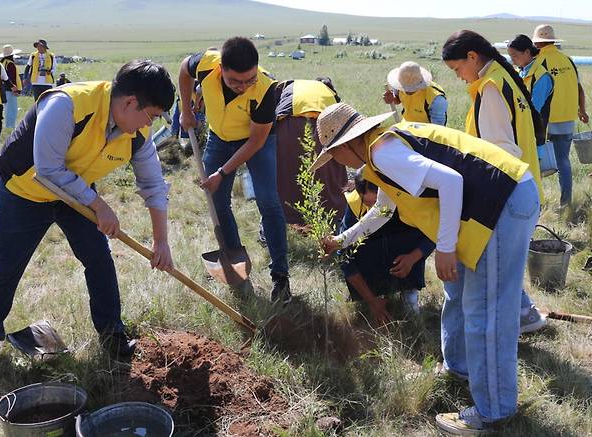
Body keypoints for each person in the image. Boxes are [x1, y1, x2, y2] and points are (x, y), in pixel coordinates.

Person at [315, 102, 539, 435]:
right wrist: (343, 239)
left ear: (347, 144)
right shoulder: (381, 152)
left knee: (487, 312)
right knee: (459, 293)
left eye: (334, 154)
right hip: (494, 201)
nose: (337, 162)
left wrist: (445, 248)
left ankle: (494, 412)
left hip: (501, 204)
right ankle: (459, 368)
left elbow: (450, 182)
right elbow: (383, 209)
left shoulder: (384, 153)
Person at [0, 60, 176, 373]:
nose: (150, 124)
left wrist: (161, 242)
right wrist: (100, 205)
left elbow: (153, 185)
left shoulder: (137, 135)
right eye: (152, 116)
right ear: (131, 102)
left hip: (74, 194)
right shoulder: (67, 105)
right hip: (25, 189)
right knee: (8, 265)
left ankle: (113, 335)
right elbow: (48, 168)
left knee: (98, 259)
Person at [442, 30, 547, 335]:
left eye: (457, 69)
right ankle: (525, 314)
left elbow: (499, 154)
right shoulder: (503, 77)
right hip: (526, 187)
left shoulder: (491, 88)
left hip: (507, 194)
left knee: (496, 274)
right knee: (507, 268)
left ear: (472, 57)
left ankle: (509, 328)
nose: (459, 77)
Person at [178, 37, 291, 303]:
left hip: (257, 141)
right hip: (219, 137)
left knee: (268, 201)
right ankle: (234, 262)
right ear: (221, 70)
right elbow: (184, 69)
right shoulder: (206, 64)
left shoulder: (265, 88)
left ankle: (281, 277)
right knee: (216, 201)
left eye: (248, 80)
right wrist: (185, 109)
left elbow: (256, 141)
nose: (243, 87)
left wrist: (223, 173)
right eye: (235, 82)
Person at [336, 167, 435, 323]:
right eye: (366, 203)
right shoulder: (355, 204)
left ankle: (408, 291)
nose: (372, 212)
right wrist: (371, 302)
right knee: (357, 248)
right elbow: (344, 256)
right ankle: (373, 294)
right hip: (374, 257)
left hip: (403, 254)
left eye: (376, 204)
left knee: (409, 237)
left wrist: (412, 257)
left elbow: (434, 233)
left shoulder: (406, 199)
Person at [274, 77, 347, 224]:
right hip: (325, 126)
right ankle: (333, 217)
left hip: (287, 125)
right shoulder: (329, 93)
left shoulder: (290, 86)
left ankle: (291, 218)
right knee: (329, 172)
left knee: (287, 171)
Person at [532, 24, 589, 206]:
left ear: (537, 43)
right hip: (567, 120)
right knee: (563, 161)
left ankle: (537, 203)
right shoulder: (568, 61)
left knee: (537, 162)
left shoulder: (538, 62)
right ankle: (566, 203)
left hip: (545, 123)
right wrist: (582, 110)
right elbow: (580, 89)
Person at [508, 34, 554, 159]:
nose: (512, 60)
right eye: (510, 56)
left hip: (533, 136)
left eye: (515, 56)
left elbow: (534, 109)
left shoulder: (541, 77)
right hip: (518, 134)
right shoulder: (519, 72)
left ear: (527, 52)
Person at [383, 61, 448, 126]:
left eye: (410, 88)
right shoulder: (400, 83)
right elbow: (398, 99)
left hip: (427, 131)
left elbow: (438, 128)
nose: (405, 90)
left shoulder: (436, 98)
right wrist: (392, 99)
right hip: (406, 127)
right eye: (404, 87)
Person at [0, 44, 22, 129]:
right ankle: (10, 127)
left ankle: (8, 126)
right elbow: (12, 78)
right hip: (10, 90)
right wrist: (15, 90)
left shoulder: (2, 63)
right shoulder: (10, 64)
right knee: (12, 109)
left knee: (7, 109)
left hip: (3, 89)